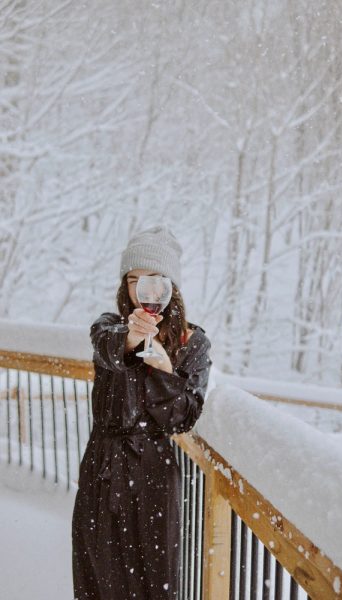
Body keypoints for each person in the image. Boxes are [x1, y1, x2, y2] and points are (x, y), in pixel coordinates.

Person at [72, 225, 213, 600]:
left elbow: (184, 417)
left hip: (153, 473)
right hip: (103, 467)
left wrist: (165, 370)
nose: (141, 292)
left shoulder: (192, 343)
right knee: (99, 576)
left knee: (153, 580)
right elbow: (107, 349)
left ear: (170, 288)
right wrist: (133, 340)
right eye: (132, 280)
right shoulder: (109, 327)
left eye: (152, 282)